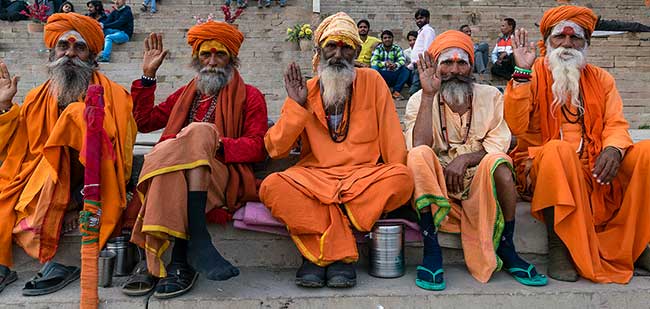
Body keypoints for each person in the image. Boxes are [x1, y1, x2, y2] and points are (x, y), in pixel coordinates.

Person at [259, 12, 414, 289]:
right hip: (315, 178)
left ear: (356, 52)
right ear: (319, 50)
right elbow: (275, 149)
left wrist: (397, 181)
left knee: (401, 178)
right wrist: (297, 107)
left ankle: (315, 258)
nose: (338, 54)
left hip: (361, 179)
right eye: (332, 46)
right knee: (272, 186)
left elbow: (393, 142)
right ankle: (340, 254)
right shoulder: (305, 90)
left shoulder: (374, 81)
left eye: (346, 48)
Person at [503, 5, 650, 283]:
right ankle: (559, 245)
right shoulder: (531, 74)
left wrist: (613, 149)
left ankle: (636, 243)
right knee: (559, 152)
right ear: (547, 42)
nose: (567, 45)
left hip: (595, 165)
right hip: (542, 164)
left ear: (586, 44)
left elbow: (616, 124)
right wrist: (521, 72)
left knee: (646, 153)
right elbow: (514, 126)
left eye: (576, 39)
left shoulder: (602, 79)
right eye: (560, 38)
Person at [128, 21, 268, 299]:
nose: (212, 62)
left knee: (198, 133)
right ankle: (188, 252)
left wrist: (212, 144)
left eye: (220, 55)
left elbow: (257, 147)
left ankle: (153, 261)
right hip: (177, 174)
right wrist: (147, 76)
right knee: (172, 172)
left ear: (232, 59)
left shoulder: (251, 96)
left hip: (221, 174)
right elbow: (143, 122)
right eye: (206, 55)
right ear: (196, 59)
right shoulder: (185, 95)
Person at [0, 13, 136, 296]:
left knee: (77, 115)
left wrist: (78, 198)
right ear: (53, 51)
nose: (70, 53)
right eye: (64, 46)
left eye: (79, 47)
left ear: (93, 56)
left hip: (90, 183)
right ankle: (3, 266)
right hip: (42, 177)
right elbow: (18, 150)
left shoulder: (116, 96)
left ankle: (64, 234)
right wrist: (4, 109)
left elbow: (119, 153)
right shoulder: (37, 97)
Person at [404, 30, 546, 291]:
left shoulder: (490, 95)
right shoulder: (419, 98)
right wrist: (427, 95)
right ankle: (431, 250)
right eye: (447, 63)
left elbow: (499, 142)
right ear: (436, 66)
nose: (455, 69)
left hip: (479, 179)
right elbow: (420, 146)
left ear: (472, 67)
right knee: (417, 156)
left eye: (462, 63)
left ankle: (507, 246)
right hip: (438, 183)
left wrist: (467, 159)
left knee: (501, 162)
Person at [371, 30, 410, 99]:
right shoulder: (378, 49)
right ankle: (379, 92)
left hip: (394, 74)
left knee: (405, 70)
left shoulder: (397, 48)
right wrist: (385, 64)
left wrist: (395, 65)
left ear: (392, 39)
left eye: (389, 37)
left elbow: (402, 60)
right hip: (382, 75)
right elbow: (373, 61)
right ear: (382, 40)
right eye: (385, 38)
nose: (387, 39)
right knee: (374, 68)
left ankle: (396, 92)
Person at [408, 8, 436, 95]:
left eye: (421, 18)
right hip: (417, 65)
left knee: (414, 90)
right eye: (417, 18)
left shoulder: (428, 30)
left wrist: (424, 63)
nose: (419, 20)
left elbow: (428, 48)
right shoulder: (421, 31)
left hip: (423, 65)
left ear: (427, 19)